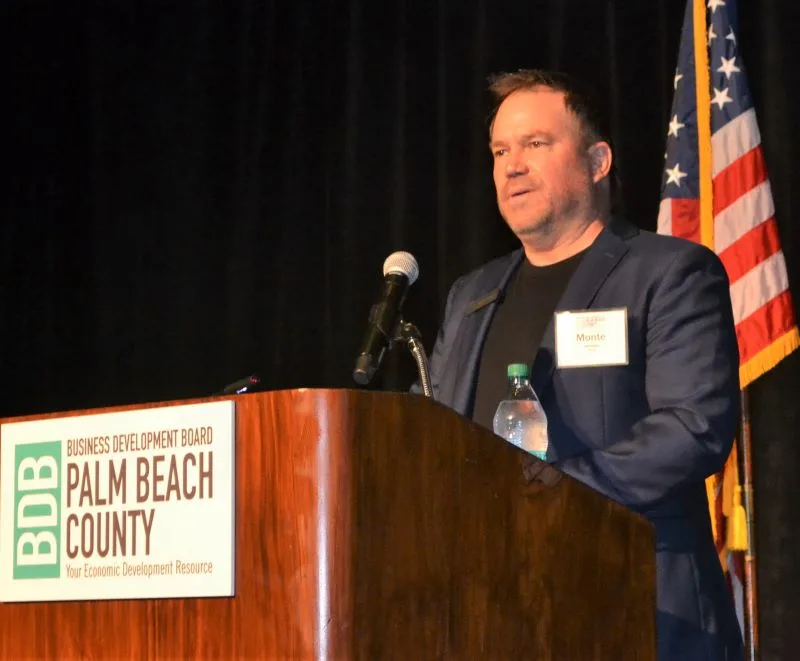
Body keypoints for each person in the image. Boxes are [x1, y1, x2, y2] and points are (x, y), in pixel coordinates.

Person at [417, 69, 745, 661]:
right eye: (500, 151)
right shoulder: (471, 296)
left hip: (633, 605)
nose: (512, 166)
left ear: (597, 161)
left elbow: (693, 427)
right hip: (489, 615)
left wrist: (550, 493)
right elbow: (435, 436)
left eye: (535, 143)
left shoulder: (669, 273)